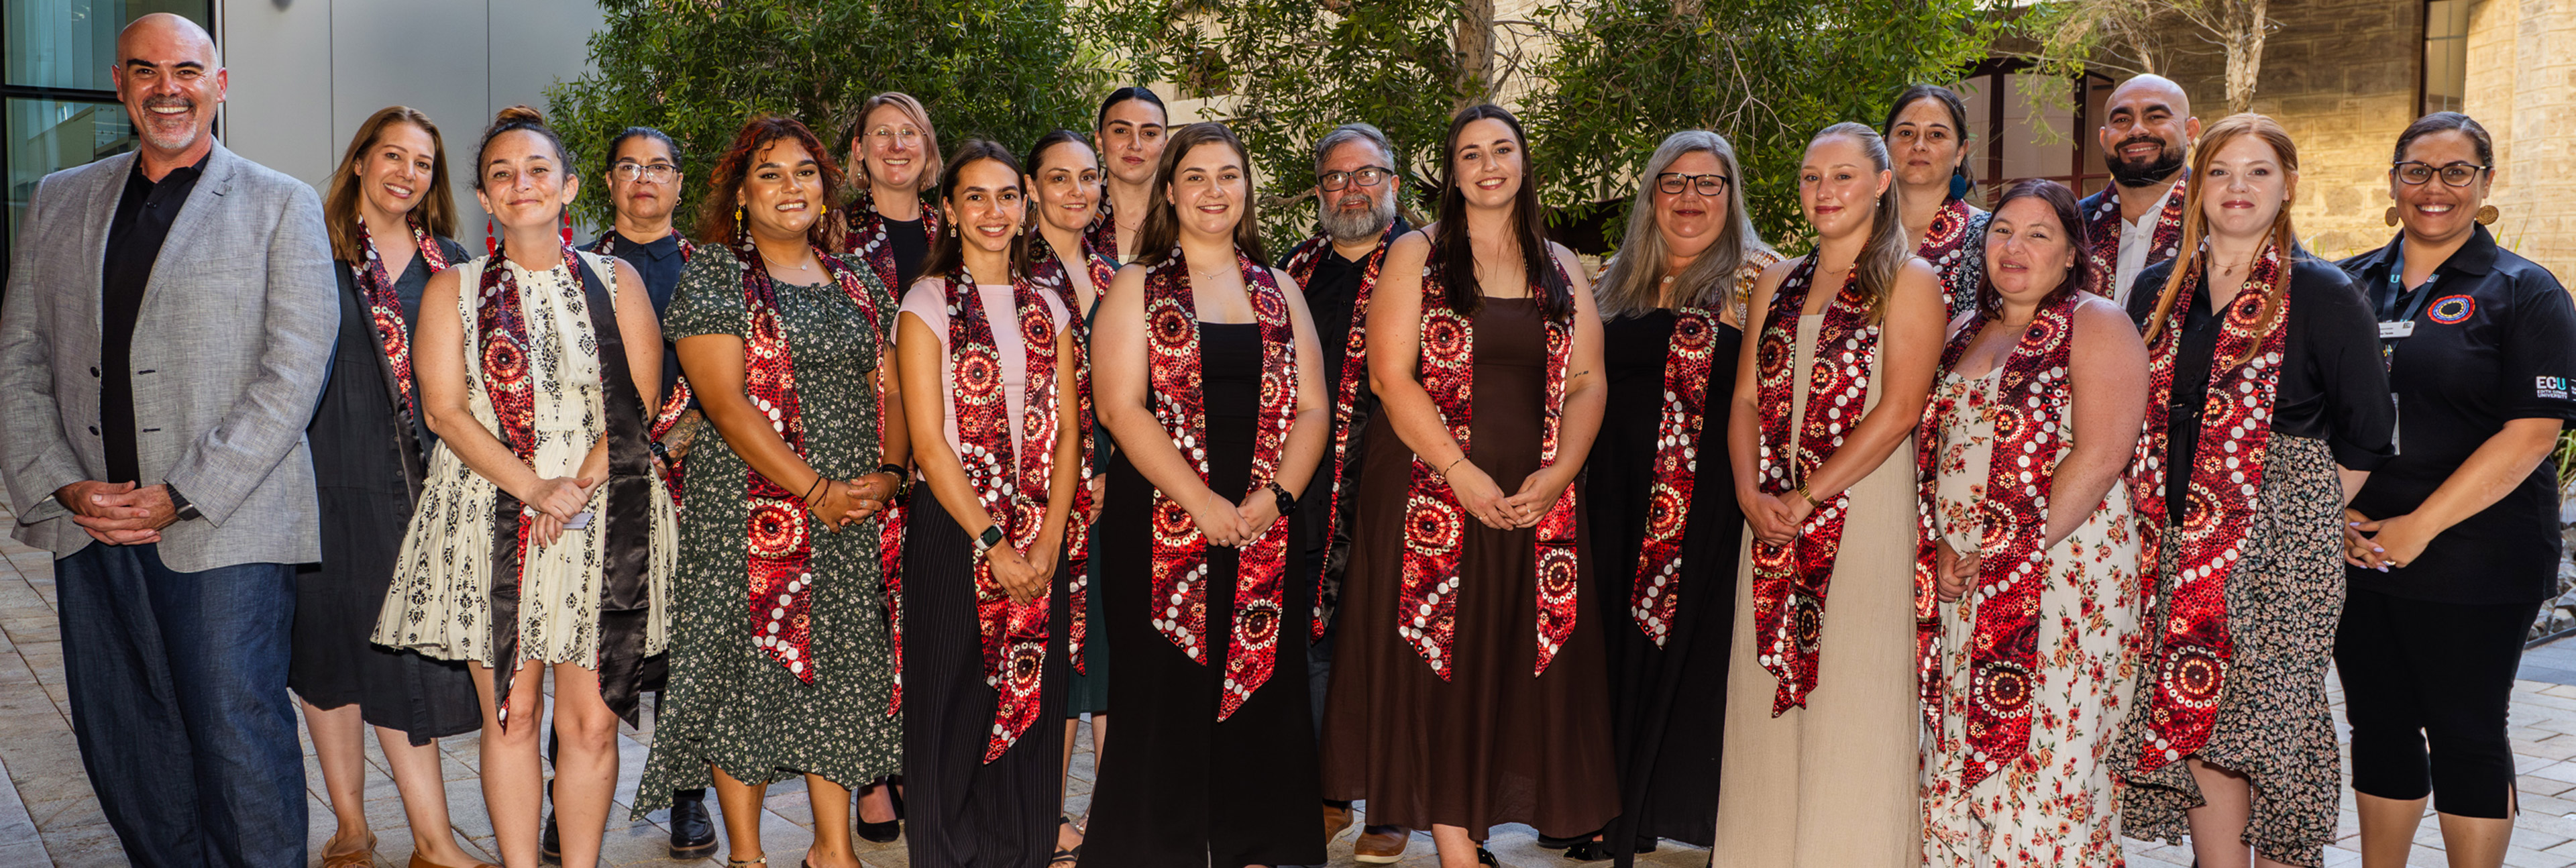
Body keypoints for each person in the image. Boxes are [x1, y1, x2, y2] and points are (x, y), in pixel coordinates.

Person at [0, 13, 335, 866]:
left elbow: (293, 373)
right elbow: (18, 359)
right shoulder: (59, 199)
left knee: (237, 740)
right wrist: (65, 484)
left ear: (219, 84)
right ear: (119, 85)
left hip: (226, 527)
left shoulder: (281, 203)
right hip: (93, 526)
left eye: (186, 70)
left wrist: (182, 493)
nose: (167, 88)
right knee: (128, 744)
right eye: (145, 71)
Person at [371, 105, 677, 868]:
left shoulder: (617, 280)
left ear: (569, 186)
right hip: (490, 511)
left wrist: (572, 488)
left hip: (603, 513)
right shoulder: (452, 289)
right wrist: (535, 490)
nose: (522, 184)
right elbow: (443, 411)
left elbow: (639, 402)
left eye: (539, 169)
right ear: (484, 198)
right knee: (511, 717)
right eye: (502, 174)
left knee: (592, 723)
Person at [1318, 103, 1615, 868]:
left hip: (1536, 495)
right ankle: (1455, 843)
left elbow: (1587, 381)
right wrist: (1462, 472)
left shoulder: (1562, 263)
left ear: (1523, 162)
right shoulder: (1416, 254)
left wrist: (1559, 474)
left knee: (1507, 656)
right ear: (1451, 174)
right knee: (1438, 659)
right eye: (1471, 154)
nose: (1489, 166)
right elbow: (1391, 378)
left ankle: (1478, 825)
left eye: (1502, 149)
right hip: (1430, 488)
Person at [2112, 113, 2393, 868]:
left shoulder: (2324, 292)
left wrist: (2297, 514)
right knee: (2198, 712)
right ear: (2197, 186)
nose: (2238, 187)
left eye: (2258, 171)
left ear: (2288, 186)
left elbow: (2369, 432)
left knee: (2272, 729)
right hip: (2173, 534)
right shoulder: (2158, 288)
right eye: (2221, 171)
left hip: (2280, 551)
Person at [634, 115, 906, 868]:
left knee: (840, 671)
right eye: (771, 174)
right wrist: (814, 489)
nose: (792, 187)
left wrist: (889, 475)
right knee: (746, 678)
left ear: (826, 189)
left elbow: (892, 388)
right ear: (742, 196)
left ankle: (833, 849)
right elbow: (724, 403)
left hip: (852, 510)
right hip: (748, 510)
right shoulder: (716, 275)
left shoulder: (857, 281)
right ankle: (748, 856)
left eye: (805, 173)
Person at [1085, 121, 1332, 868]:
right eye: (1195, 176)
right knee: (1165, 693)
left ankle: (1253, 847)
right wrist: (1200, 502)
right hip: (1161, 520)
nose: (1213, 191)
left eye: (1228, 175)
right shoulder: (1136, 285)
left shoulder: (1281, 289)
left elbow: (1314, 410)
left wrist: (1276, 499)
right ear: (1169, 191)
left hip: (1264, 522)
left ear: (1247, 189)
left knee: (1262, 695)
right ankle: (1157, 852)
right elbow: (1119, 408)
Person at [2334, 112, 2576, 868]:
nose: (2434, 188)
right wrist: (2334, 512)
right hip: (2358, 548)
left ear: (2485, 181)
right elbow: (2305, 412)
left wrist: (2420, 526)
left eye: (2456, 171)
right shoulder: (2345, 284)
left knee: (2466, 730)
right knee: (2378, 725)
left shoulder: (2525, 290)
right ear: (2393, 180)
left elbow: (2532, 433)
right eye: (2417, 171)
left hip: (2479, 553)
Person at [1710, 121, 1945, 868]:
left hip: (1863, 510)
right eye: (1813, 177)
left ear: (1881, 183)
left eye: (1843, 176)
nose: (1825, 191)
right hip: (1770, 515)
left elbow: (1900, 410)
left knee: (1854, 690)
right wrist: (1750, 492)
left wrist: (1807, 497)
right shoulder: (1775, 281)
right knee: (1764, 692)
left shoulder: (1910, 280)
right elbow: (1746, 399)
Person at [1915, 178, 2147, 867]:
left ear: (2073, 253)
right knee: (1957, 742)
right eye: (2003, 231)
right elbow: (1937, 453)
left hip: (2062, 571)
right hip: (1964, 575)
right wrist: (1943, 547)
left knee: (2049, 751)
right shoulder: (1962, 328)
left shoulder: (2098, 321)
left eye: (2038, 234)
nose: (2014, 247)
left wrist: (2005, 552)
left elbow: (2101, 456)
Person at [1576, 129, 1778, 867]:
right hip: (1612, 495)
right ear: (1651, 194)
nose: (1690, 197)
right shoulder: (1611, 280)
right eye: (1674, 181)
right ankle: (1614, 809)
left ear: (1731, 195)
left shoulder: (1762, 279)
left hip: (1711, 498)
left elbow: (1773, 396)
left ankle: (1683, 809)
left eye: (1708, 183)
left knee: (1696, 651)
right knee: (1611, 648)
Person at [301, 105, 487, 868]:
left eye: (422, 163)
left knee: (401, 657)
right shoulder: (310, 248)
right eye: (393, 156)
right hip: (323, 476)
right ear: (359, 161)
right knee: (325, 653)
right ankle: (350, 825)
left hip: (422, 484)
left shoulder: (452, 261)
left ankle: (433, 841)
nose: (407, 173)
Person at [890, 139, 1083, 868]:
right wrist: (993, 543)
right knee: (951, 704)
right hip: (956, 527)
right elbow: (929, 443)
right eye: (975, 196)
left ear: (1024, 205)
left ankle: (1019, 850)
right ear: (949, 210)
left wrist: (1050, 538)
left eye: (1006, 196)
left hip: (1041, 530)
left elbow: (1069, 432)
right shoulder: (927, 302)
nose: (993, 210)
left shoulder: (1049, 305)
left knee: (1030, 703)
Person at [538, 123, 717, 864]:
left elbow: (732, 376)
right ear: (607, 181)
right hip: (593, 481)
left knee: (687, 647)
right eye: (629, 166)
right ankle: (566, 803)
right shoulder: (570, 267)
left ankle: (686, 796)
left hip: (695, 475)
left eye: (660, 166)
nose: (644, 178)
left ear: (679, 182)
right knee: (583, 644)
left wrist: (672, 440)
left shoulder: (711, 272)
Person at [1274, 121, 1415, 863]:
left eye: (1367, 174)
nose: (1351, 189)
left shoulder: (1428, 262)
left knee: (1389, 641)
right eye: (1336, 177)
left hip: (1398, 483)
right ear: (1318, 191)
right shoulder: (1293, 270)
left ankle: (1391, 803)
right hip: (1308, 484)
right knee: (1314, 641)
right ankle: (1327, 793)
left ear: (1394, 181)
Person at [839, 89, 942, 836]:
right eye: (882, 133)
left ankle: (919, 760)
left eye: (910, 133)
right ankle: (872, 775)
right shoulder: (832, 232)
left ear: (929, 149)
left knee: (931, 609)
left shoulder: (959, 225)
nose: (897, 145)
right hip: (863, 440)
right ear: (859, 152)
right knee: (865, 611)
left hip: (957, 438)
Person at [1024, 128, 1116, 862]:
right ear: (1031, 188)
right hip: (1041, 484)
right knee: (1052, 652)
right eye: (1059, 178)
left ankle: (1113, 814)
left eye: (1088, 178)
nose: (1077, 191)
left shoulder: (1118, 275)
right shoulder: (1013, 270)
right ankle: (1045, 819)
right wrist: (1076, 474)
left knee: (1113, 653)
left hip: (1123, 483)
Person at [2080, 74, 2200, 305]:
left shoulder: (2218, 219)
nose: (2137, 130)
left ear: (2190, 131)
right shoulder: (2072, 226)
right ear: (2103, 138)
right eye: (2122, 120)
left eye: (2155, 117)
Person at [1885, 84, 1992, 320]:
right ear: (1885, 146)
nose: (1919, 145)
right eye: (1906, 133)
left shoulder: (1988, 235)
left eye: (1936, 135)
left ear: (1960, 152)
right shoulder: (1858, 229)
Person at [1091, 86, 1171, 262]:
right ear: (1100, 140)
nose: (1135, 145)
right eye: (1121, 131)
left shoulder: (1183, 216)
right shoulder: (1076, 214)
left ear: (1165, 144)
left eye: (1149, 133)